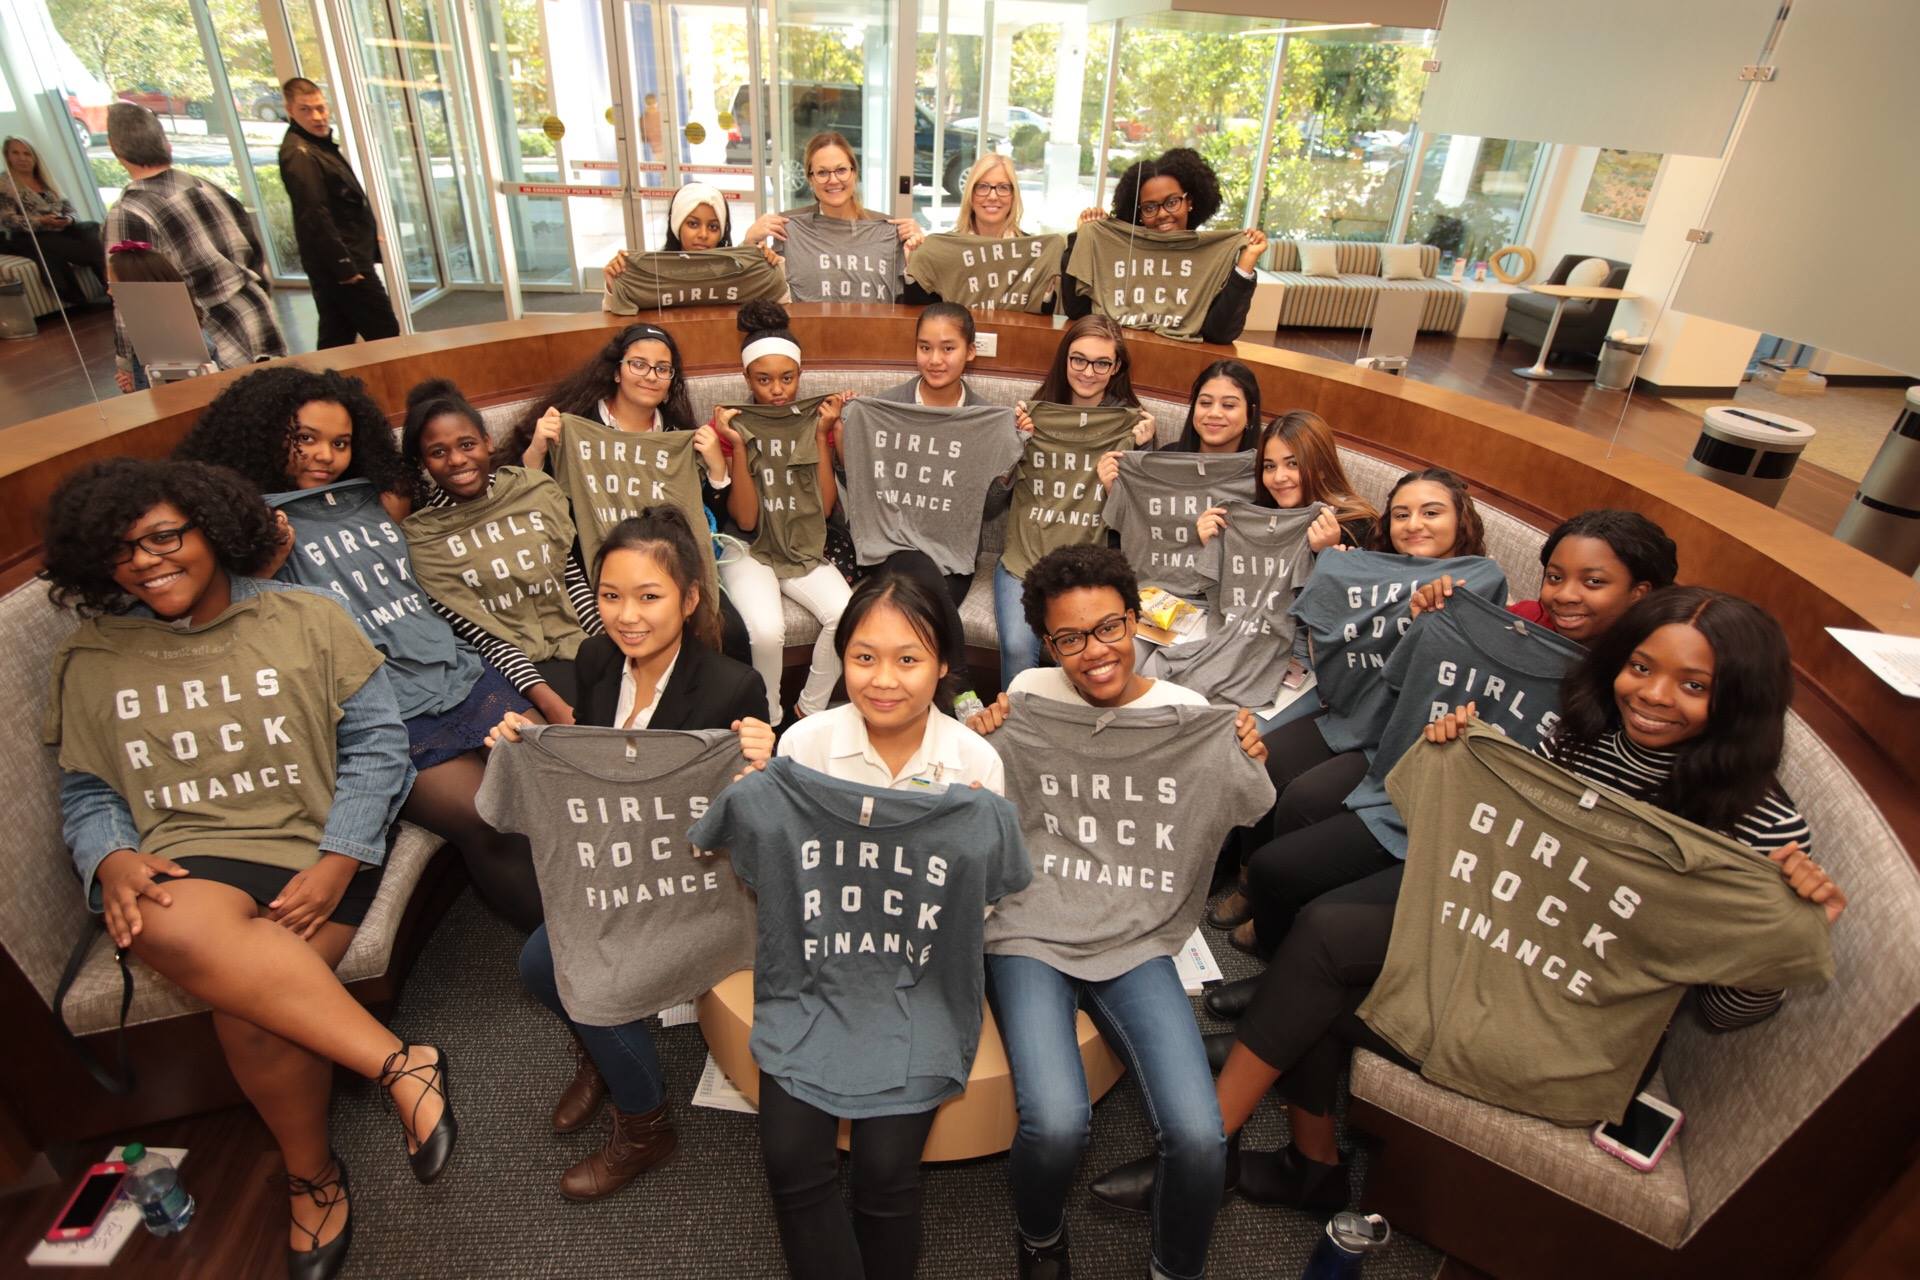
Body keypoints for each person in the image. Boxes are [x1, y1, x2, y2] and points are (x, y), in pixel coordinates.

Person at [1094, 587, 1851, 1218]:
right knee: (1320, 937)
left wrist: (1782, 937)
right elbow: (1486, 863)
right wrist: (1460, 761)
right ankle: (1264, 1160)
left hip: (1574, 1014)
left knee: (1311, 988)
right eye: (1641, 667)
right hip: (1489, 941)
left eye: (1694, 685)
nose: (1652, 696)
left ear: (1741, 698)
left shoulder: (1764, 827)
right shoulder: (1578, 734)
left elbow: (1723, 1012)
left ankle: (1246, 1162)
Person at [40, 458, 454, 1280]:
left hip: (318, 843)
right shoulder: (93, 656)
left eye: (165, 537)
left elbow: (378, 745)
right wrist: (110, 856)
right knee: (161, 916)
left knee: (252, 1010)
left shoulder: (307, 614)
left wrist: (340, 859)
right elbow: (88, 791)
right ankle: (398, 1064)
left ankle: (313, 1181)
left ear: (213, 529)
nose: (146, 561)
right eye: (122, 549)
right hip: (192, 860)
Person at [962, 545, 1268, 1280]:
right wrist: (981, 741)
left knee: (1200, 1137)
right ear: (1047, 644)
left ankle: (1176, 1268)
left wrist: (1246, 753)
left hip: (1137, 934)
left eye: (1109, 627)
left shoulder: (1186, 716)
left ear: (1135, 620)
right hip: (1030, 926)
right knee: (1056, 1122)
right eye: (1070, 637)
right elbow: (974, 794)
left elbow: (1251, 802)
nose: (1094, 651)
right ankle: (1040, 1238)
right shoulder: (1027, 697)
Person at [175, 367, 544, 932]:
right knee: (486, 817)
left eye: (341, 442)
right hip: (382, 710)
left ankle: (607, 914)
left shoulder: (371, 496)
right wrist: (265, 567)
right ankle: (565, 950)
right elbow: (226, 636)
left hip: (456, 672)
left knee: (550, 776)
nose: (325, 455)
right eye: (305, 438)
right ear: (263, 433)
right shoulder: (238, 528)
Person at [487, 506, 771, 1200]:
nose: (627, 616)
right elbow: (595, 765)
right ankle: (606, 1060)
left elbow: (753, 821)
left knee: (590, 987)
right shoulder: (594, 660)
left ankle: (645, 1126)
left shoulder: (732, 687)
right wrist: (527, 743)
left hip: (695, 883)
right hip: (615, 869)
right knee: (539, 965)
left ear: (690, 599)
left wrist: (763, 761)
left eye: (648, 596)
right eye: (611, 596)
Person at [757, 570, 1004, 1279]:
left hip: (922, 979)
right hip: (815, 973)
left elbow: (983, 904)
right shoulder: (804, 746)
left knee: (887, 1171)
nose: (884, 680)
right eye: (864, 657)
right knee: (791, 1158)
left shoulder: (975, 762)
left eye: (908, 658)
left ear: (944, 664)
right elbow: (781, 878)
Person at [1207, 467, 1490, 951]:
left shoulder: (1476, 585)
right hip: (1353, 710)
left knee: (1304, 798)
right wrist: (1329, 567)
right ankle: (1251, 878)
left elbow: (1453, 680)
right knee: (1258, 761)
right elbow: (1321, 640)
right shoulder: (1365, 568)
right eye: (1401, 514)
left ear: (1461, 519)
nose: (1414, 525)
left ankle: (1277, 903)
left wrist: (1428, 624)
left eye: (1431, 512)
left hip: (1403, 733)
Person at [508, 323, 754, 664]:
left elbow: (709, 520)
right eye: (639, 364)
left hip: (669, 564)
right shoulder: (576, 428)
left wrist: (716, 471)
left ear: (670, 382)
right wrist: (537, 452)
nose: (651, 376)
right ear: (616, 371)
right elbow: (537, 509)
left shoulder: (679, 435)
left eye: (662, 369)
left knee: (729, 633)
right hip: (599, 568)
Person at [401, 378, 602, 722]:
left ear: (487, 441)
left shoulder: (533, 490)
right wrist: (551, 705)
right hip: (521, 672)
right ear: (424, 463)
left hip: (583, 643)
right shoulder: (424, 539)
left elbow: (571, 583)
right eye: (438, 452)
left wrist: (613, 648)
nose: (456, 460)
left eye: (467, 444)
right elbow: (484, 636)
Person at [710, 300, 852, 723]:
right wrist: (738, 446)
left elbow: (824, 509)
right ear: (746, 378)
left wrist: (823, 435)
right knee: (767, 632)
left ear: (800, 375)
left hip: (801, 539)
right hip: (749, 546)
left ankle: (808, 710)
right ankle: (769, 718)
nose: (777, 390)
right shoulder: (731, 426)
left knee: (846, 615)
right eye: (764, 379)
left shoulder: (814, 421)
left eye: (787, 378)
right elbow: (746, 520)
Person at [993, 316, 1156, 684]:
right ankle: (1016, 722)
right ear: (1065, 359)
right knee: (1017, 647)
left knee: (1080, 655)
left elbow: (1143, 525)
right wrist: (1011, 447)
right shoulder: (1032, 416)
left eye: (1101, 363)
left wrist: (1141, 456)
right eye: (1078, 359)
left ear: (1116, 367)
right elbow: (990, 501)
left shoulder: (1132, 428)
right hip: (1023, 562)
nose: (1087, 372)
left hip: (1089, 570)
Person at [101, 103, 285, 384]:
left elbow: (132, 300)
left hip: (209, 340)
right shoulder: (207, 187)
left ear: (115, 148)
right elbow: (254, 254)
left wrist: (125, 362)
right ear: (164, 142)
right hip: (254, 316)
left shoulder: (129, 212)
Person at [1062, 148, 1267, 345]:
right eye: (1149, 207)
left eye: (1172, 202)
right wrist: (1083, 237)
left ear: (1189, 202)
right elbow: (1076, 311)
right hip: (1115, 357)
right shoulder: (1119, 248)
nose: (1161, 214)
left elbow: (1220, 333)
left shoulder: (1212, 255)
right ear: (1139, 213)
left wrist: (1246, 263)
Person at [1408, 507, 1679, 646]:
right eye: (1555, 578)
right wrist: (1433, 624)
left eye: (1593, 582)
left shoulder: (1650, 672)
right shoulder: (1522, 622)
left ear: (1639, 593)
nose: (1564, 595)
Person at [278, 78, 399, 349]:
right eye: (306, 110)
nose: (317, 116)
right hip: (343, 262)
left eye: (320, 108)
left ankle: (326, 377)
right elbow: (314, 214)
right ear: (290, 110)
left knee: (337, 334)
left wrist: (367, 235)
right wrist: (344, 265)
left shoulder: (316, 145)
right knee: (385, 333)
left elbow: (342, 202)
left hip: (342, 256)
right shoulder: (300, 153)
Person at [737, 131, 920, 290]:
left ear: (854, 173)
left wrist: (918, 253)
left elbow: (912, 296)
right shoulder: (787, 227)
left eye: (841, 170)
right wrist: (749, 243)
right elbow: (756, 287)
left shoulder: (888, 229)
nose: (833, 180)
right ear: (810, 179)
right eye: (822, 173)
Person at [600, 180, 782, 297]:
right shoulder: (652, 270)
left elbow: (777, 299)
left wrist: (767, 265)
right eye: (693, 224)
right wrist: (613, 283)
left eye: (713, 227)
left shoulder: (735, 269)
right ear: (677, 225)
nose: (703, 235)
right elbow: (618, 314)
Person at [1, 135, 104, 308]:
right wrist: (41, 220)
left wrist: (68, 219)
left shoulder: (45, 180)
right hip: (31, 235)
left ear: (35, 157)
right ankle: (106, 286)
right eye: (15, 153)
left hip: (60, 228)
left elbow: (70, 209)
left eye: (27, 154)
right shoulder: (4, 185)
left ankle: (110, 286)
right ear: (7, 156)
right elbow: (8, 220)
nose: (22, 158)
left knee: (92, 227)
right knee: (72, 245)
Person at [104, 240, 215, 394]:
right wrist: (135, 387)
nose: (109, 292)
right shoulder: (148, 338)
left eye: (113, 285)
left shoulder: (185, 340)